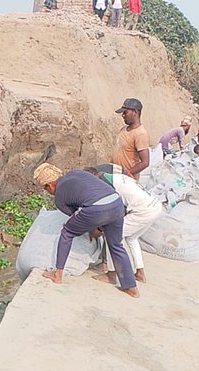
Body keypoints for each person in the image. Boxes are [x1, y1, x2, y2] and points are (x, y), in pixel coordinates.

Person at [33, 163, 140, 298]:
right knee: (116, 245)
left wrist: (93, 228)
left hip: (97, 209)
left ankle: (57, 274)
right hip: (116, 203)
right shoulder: (77, 173)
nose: (47, 192)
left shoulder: (59, 197)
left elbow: (76, 216)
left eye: (45, 188)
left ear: (50, 185)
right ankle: (131, 288)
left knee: (67, 233)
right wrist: (98, 227)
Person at [85, 167, 163, 284]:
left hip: (142, 211)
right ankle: (140, 272)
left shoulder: (105, 185)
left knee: (111, 236)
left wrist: (99, 229)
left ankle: (111, 274)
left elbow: (113, 209)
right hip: (155, 206)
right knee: (132, 238)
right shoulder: (116, 177)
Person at [111, 98, 150, 179]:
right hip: (116, 175)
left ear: (135, 112)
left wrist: (126, 173)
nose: (123, 115)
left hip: (126, 180)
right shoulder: (123, 129)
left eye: (126, 112)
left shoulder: (140, 134)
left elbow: (145, 162)